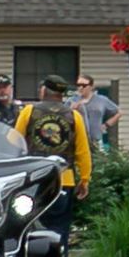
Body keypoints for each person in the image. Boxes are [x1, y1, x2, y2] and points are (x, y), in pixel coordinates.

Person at [15, 75, 93, 241]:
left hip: (33, 179)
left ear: (44, 90)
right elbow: (83, 152)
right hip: (64, 180)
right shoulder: (74, 116)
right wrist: (85, 179)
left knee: (30, 225)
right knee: (59, 228)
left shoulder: (29, 112)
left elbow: (14, 144)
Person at [72, 73, 122, 151]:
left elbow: (118, 112)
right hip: (77, 140)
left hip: (96, 140)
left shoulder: (101, 100)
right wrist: (72, 109)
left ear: (91, 87)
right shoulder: (72, 100)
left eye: (84, 85)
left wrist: (106, 125)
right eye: (78, 85)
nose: (81, 88)